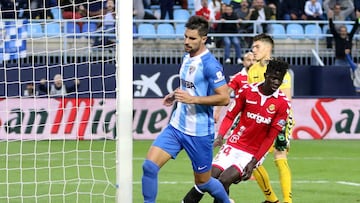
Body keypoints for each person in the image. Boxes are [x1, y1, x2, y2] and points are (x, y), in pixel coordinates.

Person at [141, 15, 231, 203]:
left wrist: (192, 99)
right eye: (185, 37)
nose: (186, 42)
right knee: (149, 167)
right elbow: (189, 86)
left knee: (204, 182)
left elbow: (224, 98)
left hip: (198, 133)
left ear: (204, 39)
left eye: (192, 39)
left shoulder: (210, 65)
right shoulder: (186, 57)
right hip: (176, 127)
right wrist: (175, 95)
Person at [182, 58, 291, 203]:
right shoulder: (247, 91)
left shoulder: (282, 104)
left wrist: (254, 162)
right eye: (273, 78)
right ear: (266, 75)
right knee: (207, 179)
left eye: (280, 79)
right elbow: (230, 115)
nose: (276, 83)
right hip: (234, 143)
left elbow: (270, 137)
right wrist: (220, 136)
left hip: (252, 152)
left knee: (224, 180)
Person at [247, 33, 293, 203]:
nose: (253, 51)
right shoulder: (252, 70)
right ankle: (272, 200)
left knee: (280, 156)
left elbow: (286, 99)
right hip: (260, 119)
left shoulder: (280, 71)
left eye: (257, 47)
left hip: (280, 118)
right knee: (252, 159)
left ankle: (288, 201)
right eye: (253, 47)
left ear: (268, 48)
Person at [214, 52, 256, 124]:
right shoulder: (238, 77)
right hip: (241, 116)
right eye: (249, 60)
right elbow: (225, 94)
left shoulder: (262, 77)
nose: (251, 62)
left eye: (254, 60)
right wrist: (217, 111)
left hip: (257, 115)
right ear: (243, 62)